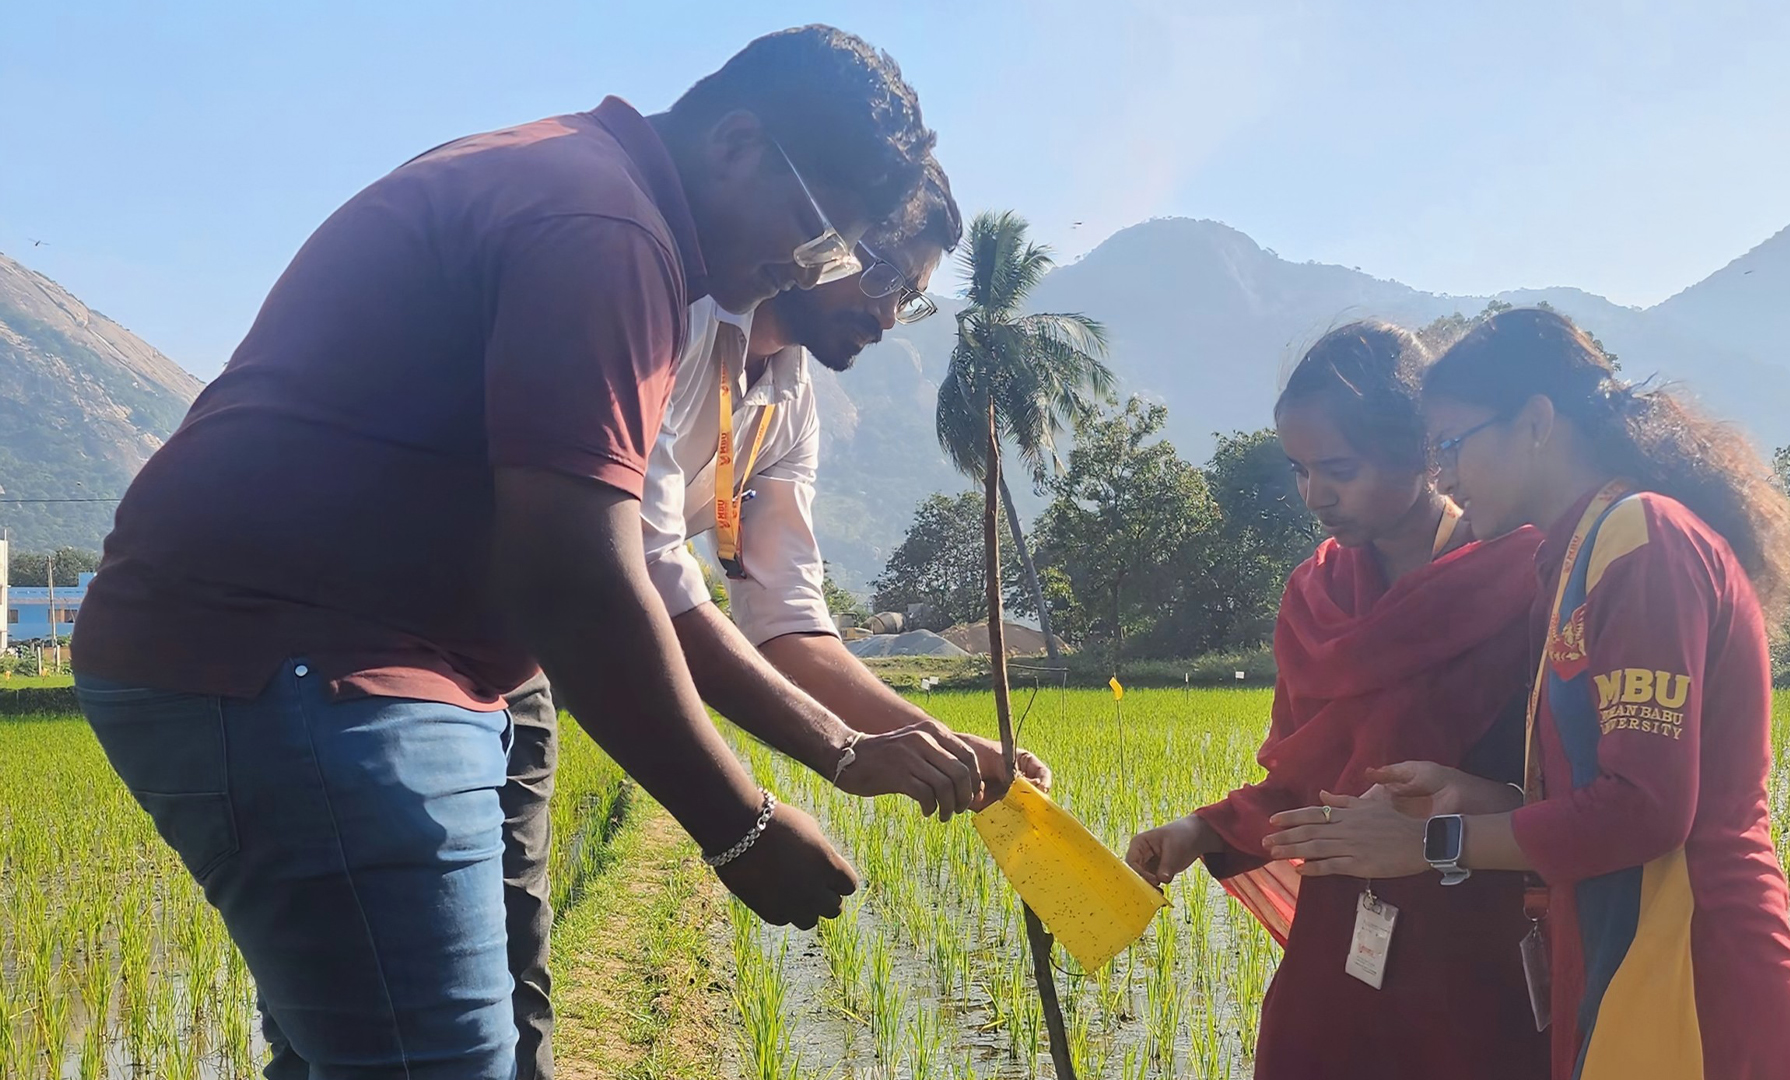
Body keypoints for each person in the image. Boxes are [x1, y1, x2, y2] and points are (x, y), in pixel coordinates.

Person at [71, 25, 958, 1078]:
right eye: (817, 243)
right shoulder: (605, 229)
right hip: (306, 668)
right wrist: (740, 827)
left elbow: (661, 578)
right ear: (738, 144)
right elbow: (578, 576)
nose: (797, 274)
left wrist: (841, 756)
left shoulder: (601, 200)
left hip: (342, 664)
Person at [496, 166, 1049, 1077]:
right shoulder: (676, 325)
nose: (884, 316)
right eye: (881, 279)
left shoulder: (789, 401)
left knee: (516, 992)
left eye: (909, 301)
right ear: (831, 231)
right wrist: (821, 764)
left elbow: (788, 618)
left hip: (516, 677)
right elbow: (644, 572)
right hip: (435, 651)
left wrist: (935, 740)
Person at [1267, 308, 1790, 1080]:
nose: (1444, 476)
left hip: (1698, 978)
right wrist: (1477, 796)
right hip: (1616, 961)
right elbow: (1595, 797)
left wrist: (1435, 844)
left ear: (1535, 422)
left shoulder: (1645, 539)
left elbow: (1646, 809)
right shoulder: (1575, 560)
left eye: (1453, 446)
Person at [1125, 321, 1548, 1078]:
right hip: (1341, 946)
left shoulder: (1520, 579)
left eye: (1340, 470)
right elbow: (1299, 789)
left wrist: (1468, 811)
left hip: (1473, 948)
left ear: (1420, 451)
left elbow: (1574, 792)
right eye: (1300, 471)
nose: (1316, 496)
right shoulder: (1314, 595)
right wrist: (1197, 832)